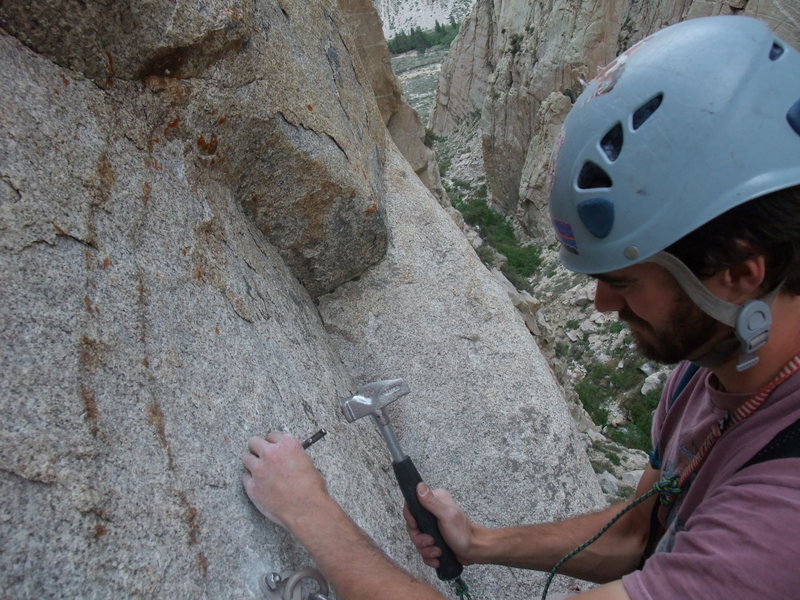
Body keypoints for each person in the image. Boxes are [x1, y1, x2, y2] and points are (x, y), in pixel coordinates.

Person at [242, 16, 800, 599]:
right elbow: (639, 533)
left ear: (738, 273)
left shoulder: (781, 522)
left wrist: (311, 514)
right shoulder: (713, 357)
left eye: (624, 281)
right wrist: (481, 542)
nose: (603, 304)